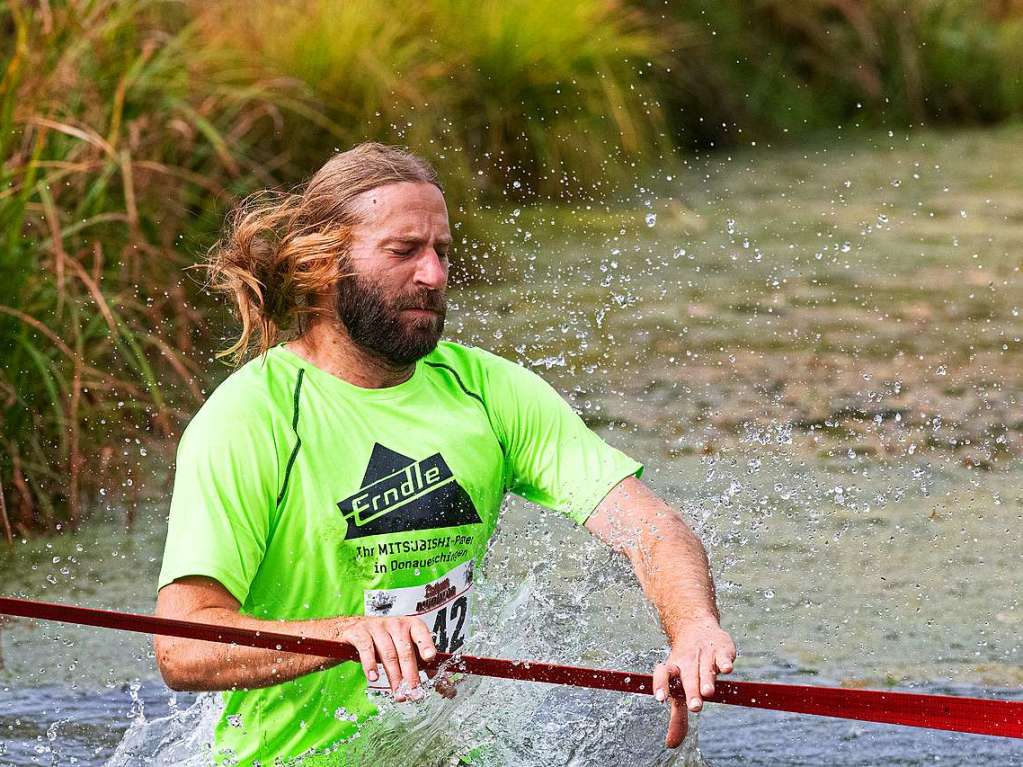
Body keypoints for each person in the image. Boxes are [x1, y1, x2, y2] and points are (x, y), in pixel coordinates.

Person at [154, 143, 736, 766]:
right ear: (323, 265)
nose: (433, 276)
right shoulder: (251, 418)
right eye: (404, 252)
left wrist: (693, 628)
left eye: (442, 252)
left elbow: (651, 527)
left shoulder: (487, 390)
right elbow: (182, 645)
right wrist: (345, 635)